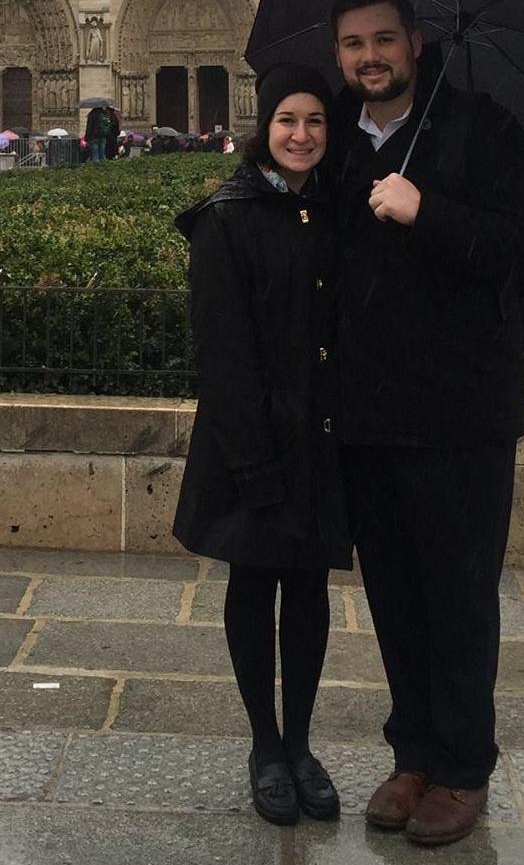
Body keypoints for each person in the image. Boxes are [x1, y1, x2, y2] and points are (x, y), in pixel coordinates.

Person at [326, 0, 524, 849]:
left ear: (416, 45)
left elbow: (523, 254)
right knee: (395, 598)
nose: (368, 57)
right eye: (353, 44)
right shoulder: (340, 142)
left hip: (461, 413)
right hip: (371, 410)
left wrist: (429, 213)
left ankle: (461, 770)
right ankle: (412, 754)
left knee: (459, 600)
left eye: (383, 39)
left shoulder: (484, 128)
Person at [173, 63, 351, 828]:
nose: (301, 135)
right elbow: (222, 351)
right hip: (250, 437)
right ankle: (264, 746)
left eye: (315, 121)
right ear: (263, 127)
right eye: (288, 121)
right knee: (253, 586)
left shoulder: (345, 211)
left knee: (309, 593)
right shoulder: (226, 216)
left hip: (322, 434)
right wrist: (249, 460)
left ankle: (303, 745)